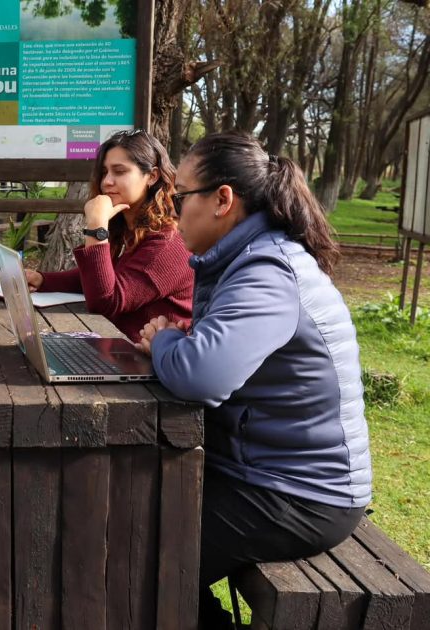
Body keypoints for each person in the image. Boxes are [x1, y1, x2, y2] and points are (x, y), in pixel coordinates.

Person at [136, 131, 372, 629]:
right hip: (265, 473)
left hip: (302, 494)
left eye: (180, 198)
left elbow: (201, 375)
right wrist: (179, 343)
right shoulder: (245, 259)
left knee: (138, 558)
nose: (173, 214)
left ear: (223, 199)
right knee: (130, 515)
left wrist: (164, 341)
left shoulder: (267, 270)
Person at [24, 129, 193, 342]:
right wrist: (43, 280)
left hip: (157, 357)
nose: (106, 182)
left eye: (119, 171)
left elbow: (105, 301)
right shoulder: (132, 228)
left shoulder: (168, 241)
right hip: (122, 345)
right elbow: (104, 276)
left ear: (152, 176)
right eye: (104, 172)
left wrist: (97, 227)